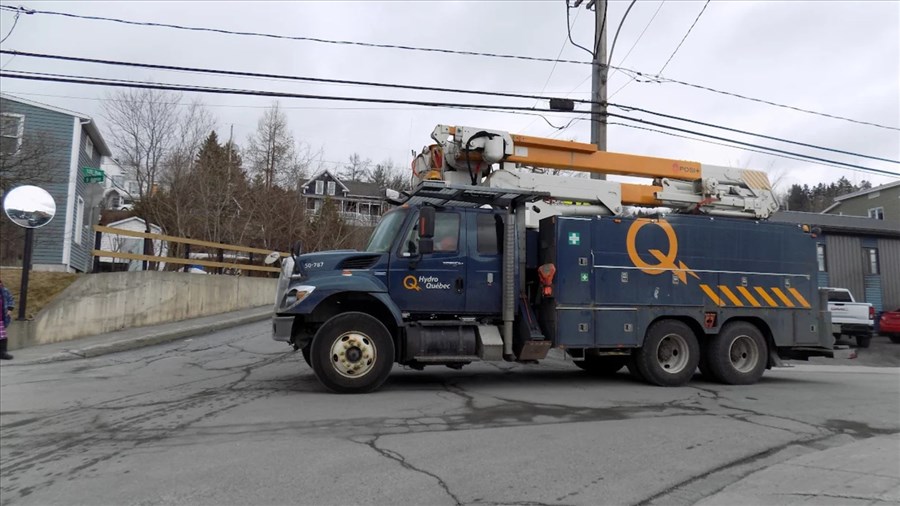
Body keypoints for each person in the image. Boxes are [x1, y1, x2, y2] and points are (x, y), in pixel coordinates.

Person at [0, 278, 13, 360]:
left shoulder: (4, 291)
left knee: (2, 336)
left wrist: (9, 309)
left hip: (1, 318)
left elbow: (10, 299)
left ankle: (3, 353)